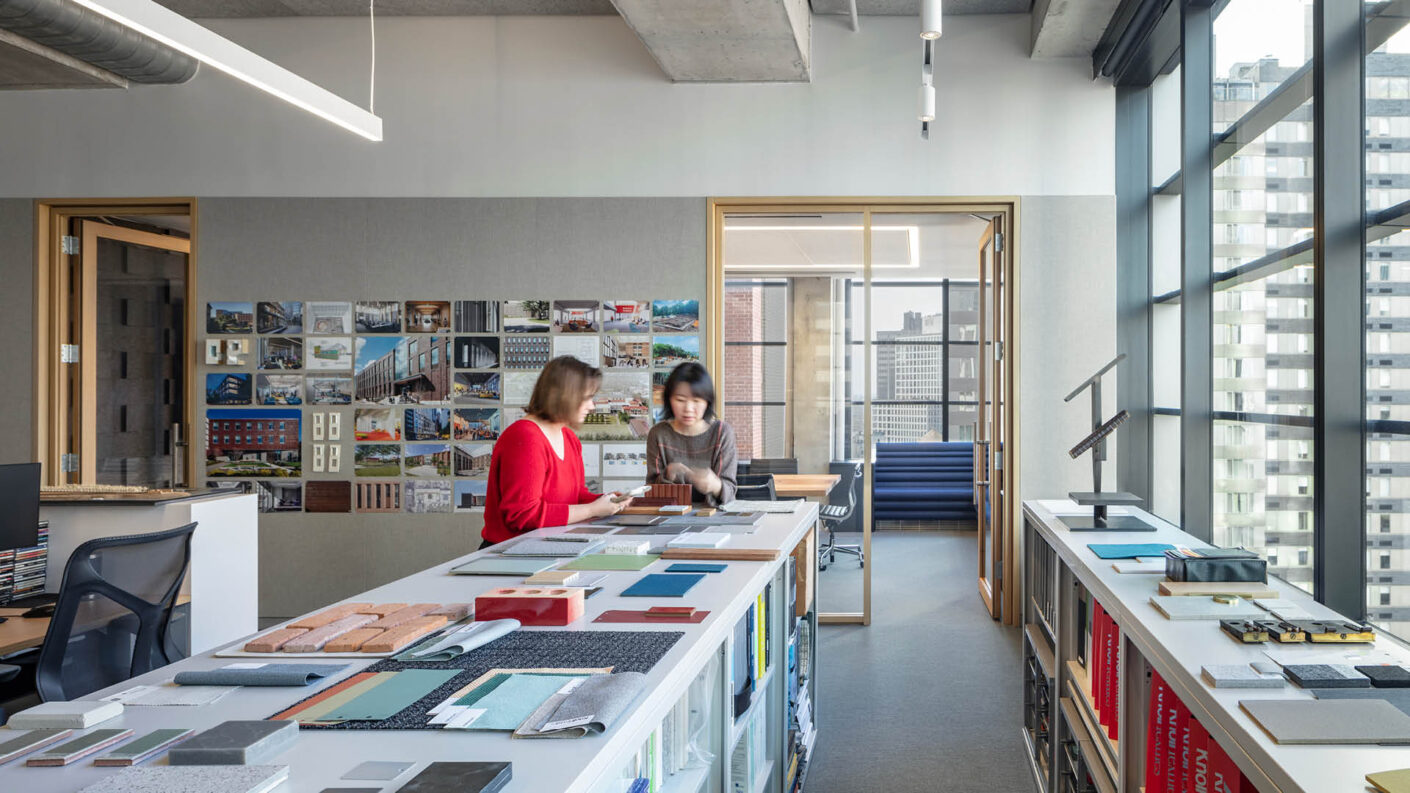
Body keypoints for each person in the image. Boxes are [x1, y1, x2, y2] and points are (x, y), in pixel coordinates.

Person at [480, 357, 628, 548]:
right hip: (509, 554)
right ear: (564, 396)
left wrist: (608, 501)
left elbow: (575, 497)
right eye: (586, 398)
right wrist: (592, 510)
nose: (592, 406)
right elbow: (522, 515)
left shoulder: (568, 437)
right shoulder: (525, 437)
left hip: (550, 547)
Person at [646, 362, 738, 506]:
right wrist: (667, 474)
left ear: (707, 401)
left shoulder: (722, 433)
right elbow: (650, 490)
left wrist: (716, 486)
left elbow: (730, 491)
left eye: (696, 401)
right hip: (669, 519)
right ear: (669, 400)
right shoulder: (658, 434)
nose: (688, 408)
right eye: (680, 400)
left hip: (714, 518)